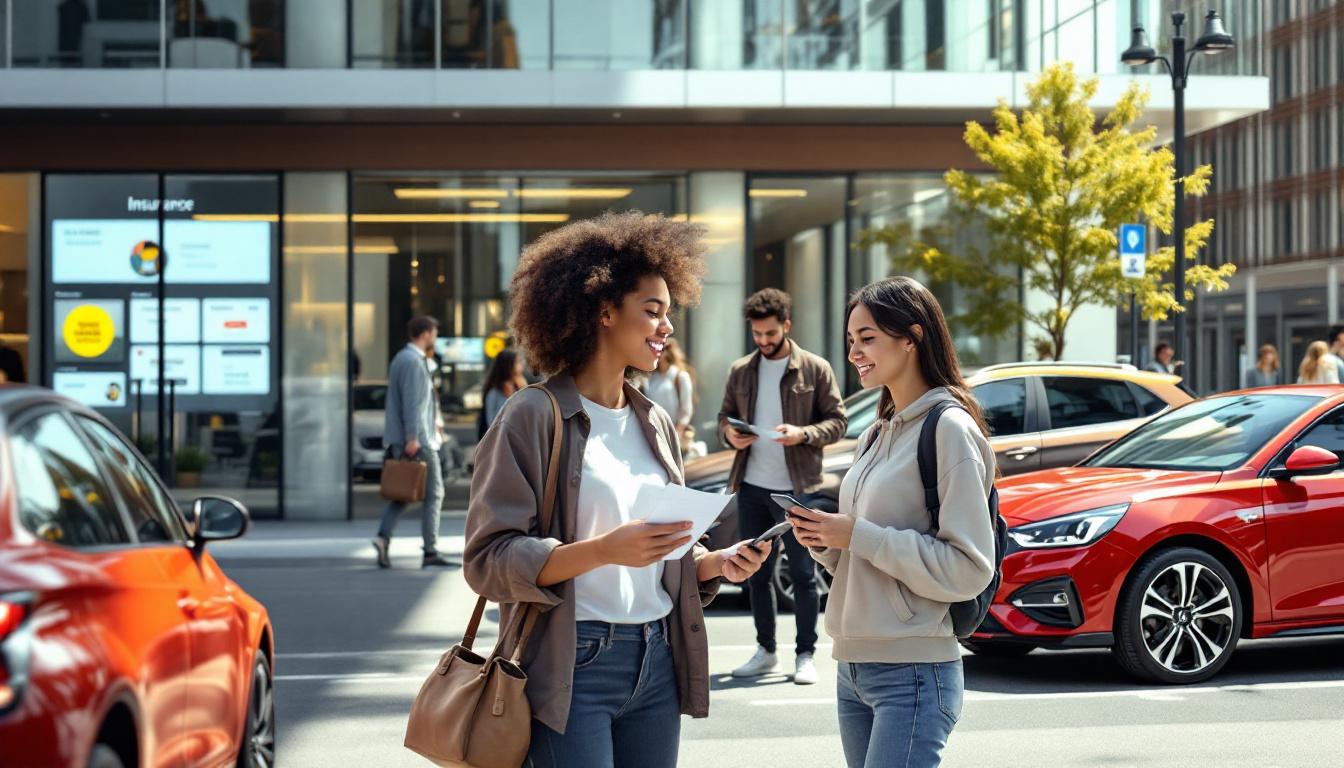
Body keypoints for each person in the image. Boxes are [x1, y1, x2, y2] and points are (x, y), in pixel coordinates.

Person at [464, 212, 770, 768]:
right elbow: (487, 561)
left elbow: (659, 551)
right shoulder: (533, 415)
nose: (666, 328)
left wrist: (711, 564)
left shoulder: (653, 422)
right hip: (571, 664)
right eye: (652, 312)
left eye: (669, 314)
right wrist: (603, 550)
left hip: (657, 657)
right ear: (603, 312)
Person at [788, 276, 996, 768]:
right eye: (851, 340)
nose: (855, 352)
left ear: (912, 337)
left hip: (915, 671)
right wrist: (824, 540)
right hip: (853, 666)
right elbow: (865, 557)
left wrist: (856, 534)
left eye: (868, 338)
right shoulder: (876, 434)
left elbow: (970, 567)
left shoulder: (949, 428)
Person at [719, 288, 848, 686]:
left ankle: (805, 654)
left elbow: (838, 421)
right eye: (757, 334)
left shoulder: (814, 368)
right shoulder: (742, 370)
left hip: (798, 488)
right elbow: (725, 416)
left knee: (804, 573)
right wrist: (729, 434)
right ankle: (766, 651)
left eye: (770, 333)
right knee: (755, 574)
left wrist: (802, 433)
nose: (763, 341)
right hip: (753, 486)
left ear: (786, 326)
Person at [371, 315, 455, 569]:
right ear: (426, 333)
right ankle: (430, 550)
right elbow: (413, 404)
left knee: (405, 493)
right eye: (434, 333)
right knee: (435, 493)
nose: (435, 337)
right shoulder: (413, 362)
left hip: (413, 437)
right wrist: (413, 438)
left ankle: (383, 537)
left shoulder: (402, 359)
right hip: (418, 441)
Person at [643, 338, 696, 453]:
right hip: (655, 437)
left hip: (675, 438)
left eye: (661, 349)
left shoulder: (680, 376)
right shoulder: (651, 378)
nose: (657, 352)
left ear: (668, 352)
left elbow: (686, 410)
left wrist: (676, 434)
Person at [480, 347, 527, 438]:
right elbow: (492, 423)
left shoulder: (520, 386)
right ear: (508, 365)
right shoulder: (494, 392)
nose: (521, 365)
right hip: (501, 441)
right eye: (517, 362)